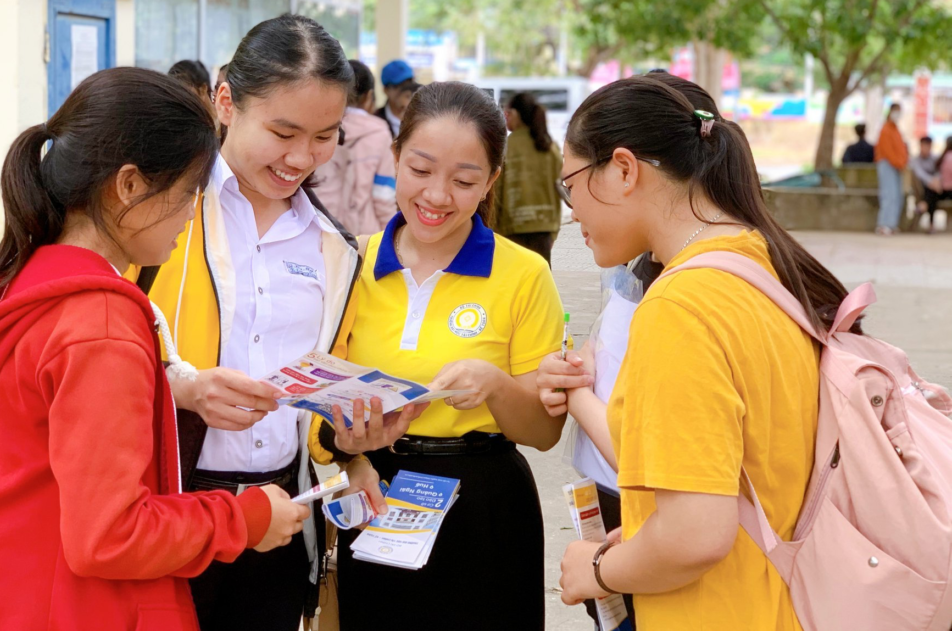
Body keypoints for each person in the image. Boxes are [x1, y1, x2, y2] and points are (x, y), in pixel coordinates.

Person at [0, 67, 306, 630]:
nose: (188, 218)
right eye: (185, 197)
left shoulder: (25, 277)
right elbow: (109, 535)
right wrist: (244, 518)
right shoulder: (101, 324)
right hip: (53, 604)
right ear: (128, 185)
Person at [130, 16, 421, 631]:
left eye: (323, 136)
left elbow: (315, 405)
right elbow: (93, 343)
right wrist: (181, 387)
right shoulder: (154, 216)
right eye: (283, 131)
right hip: (165, 505)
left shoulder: (336, 250)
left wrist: (351, 445)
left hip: (281, 513)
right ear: (227, 99)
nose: (301, 158)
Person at [554, 75, 855, 630]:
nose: (572, 211)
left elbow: (695, 536)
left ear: (623, 170)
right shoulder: (760, 263)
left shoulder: (680, 306)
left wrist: (598, 567)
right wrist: (649, 533)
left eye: (569, 184)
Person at [310, 81, 568, 631]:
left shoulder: (524, 274)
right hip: (375, 494)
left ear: (491, 182)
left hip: (486, 508)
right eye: (421, 170)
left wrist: (497, 384)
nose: (437, 196)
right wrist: (349, 451)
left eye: (464, 180)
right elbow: (318, 408)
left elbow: (545, 433)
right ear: (396, 157)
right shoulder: (348, 262)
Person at [315, 59, 398, 236]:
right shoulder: (380, 131)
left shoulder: (318, 125)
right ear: (369, 96)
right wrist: (388, 238)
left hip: (318, 228)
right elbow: (383, 195)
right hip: (364, 237)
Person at [492, 92, 563, 265]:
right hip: (544, 229)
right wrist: (553, 231)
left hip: (511, 229)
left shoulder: (506, 147)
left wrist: (492, 230)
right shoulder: (550, 147)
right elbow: (558, 190)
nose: (506, 119)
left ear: (515, 115)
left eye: (507, 114)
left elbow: (496, 192)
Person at [874, 104, 908, 235]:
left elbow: (901, 149)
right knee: (888, 194)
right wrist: (898, 162)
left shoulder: (896, 130)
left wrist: (902, 162)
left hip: (897, 166)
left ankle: (892, 224)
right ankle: (883, 224)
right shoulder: (885, 129)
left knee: (897, 195)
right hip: (887, 164)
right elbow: (887, 151)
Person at [909, 136, 947, 233]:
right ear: (920, 146)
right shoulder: (915, 160)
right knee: (931, 192)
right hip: (923, 189)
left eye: (928, 146)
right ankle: (931, 224)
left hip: (938, 189)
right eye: (924, 146)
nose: (926, 149)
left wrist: (936, 181)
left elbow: (940, 172)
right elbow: (920, 174)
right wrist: (932, 182)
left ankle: (923, 205)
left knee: (932, 194)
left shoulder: (935, 158)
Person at [375, 59, 419, 138]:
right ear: (386, 90)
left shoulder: (422, 117)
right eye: (400, 86)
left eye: (410, 85)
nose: (406, 91)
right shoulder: (375, 121)